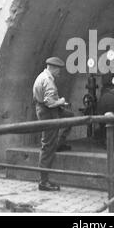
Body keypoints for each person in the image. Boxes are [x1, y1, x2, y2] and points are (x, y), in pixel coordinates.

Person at [33, 57, 73, 191]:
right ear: (53, 68)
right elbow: (50, 103)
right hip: (48, 112)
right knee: (47, 145)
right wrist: (61, 102)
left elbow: (47, 100)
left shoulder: (42, 76)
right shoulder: (48, 81)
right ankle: (43, 182)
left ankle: (59, 143)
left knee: (70, 117)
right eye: (59, 70)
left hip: (44, 109)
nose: (60, 72)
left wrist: (59, 104)